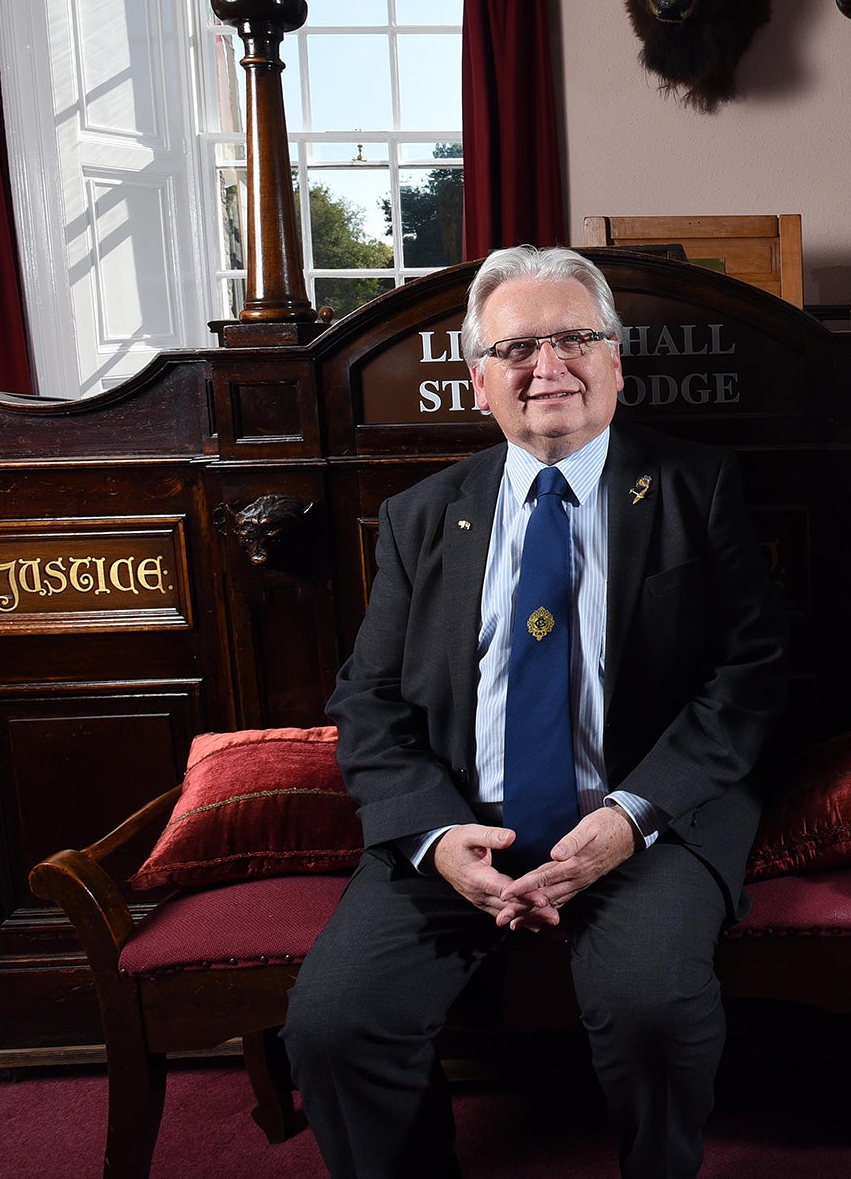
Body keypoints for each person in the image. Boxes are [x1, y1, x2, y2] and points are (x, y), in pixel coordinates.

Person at [284, 244, 787, 1179]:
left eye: (575, 340)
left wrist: (630, 819)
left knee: (651, 1010)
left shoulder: (694, 485)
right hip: (461, 825)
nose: (546, 367)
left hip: (646, 825)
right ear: (479, 382)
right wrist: (436, 836)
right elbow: (370, 698)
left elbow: (751, 672)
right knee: (334, 1023)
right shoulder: (421, 516)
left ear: (616, 362)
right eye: (516, 350)